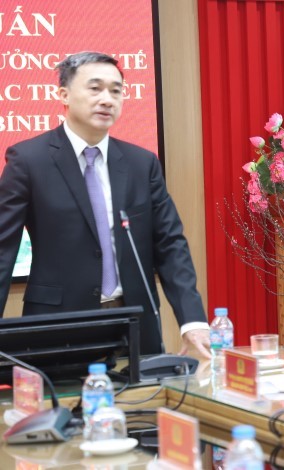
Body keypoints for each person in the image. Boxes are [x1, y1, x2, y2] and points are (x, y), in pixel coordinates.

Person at [0, 52, 211, 358]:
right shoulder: (28, 160)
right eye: (95, 88)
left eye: (115, 91)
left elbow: (170, 243)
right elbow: (3, 249)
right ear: (64, 95)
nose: (107, 100)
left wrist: (192, 320)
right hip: (58, 325)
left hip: (134, 323)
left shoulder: (142, 163)